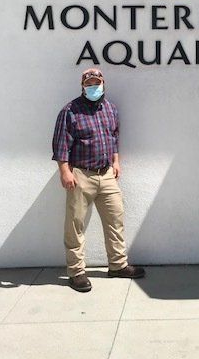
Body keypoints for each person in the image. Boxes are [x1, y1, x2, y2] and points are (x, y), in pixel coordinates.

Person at [52, 68, 145, 292]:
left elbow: (113, 137)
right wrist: (64, 172)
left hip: (107, 174)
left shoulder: (110, 109)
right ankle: (76, 272)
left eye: (97, 82)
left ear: (103, 83)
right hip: (81, 175)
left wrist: (116, 161)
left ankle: (118, 265)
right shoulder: (70, 111)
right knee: (75, 225)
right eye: (89, 83)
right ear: (83, 86)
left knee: (115, 219)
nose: (93, 87)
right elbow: (61, 144)